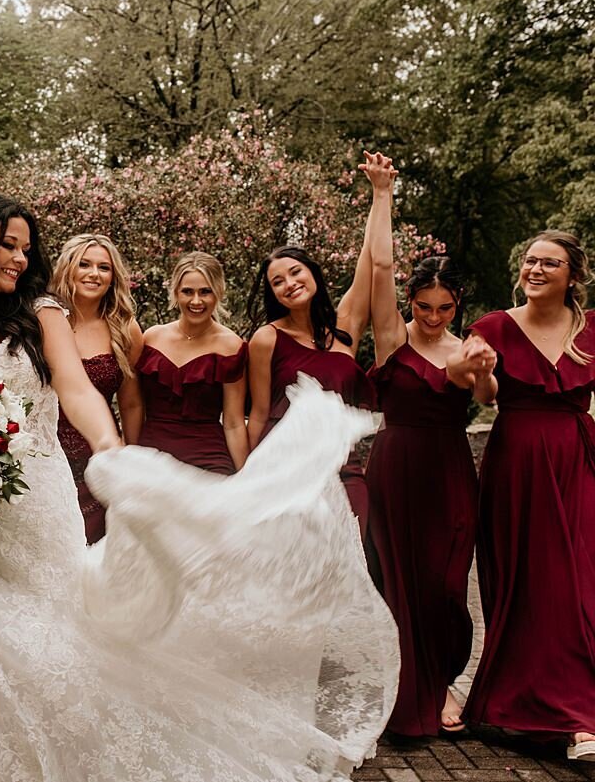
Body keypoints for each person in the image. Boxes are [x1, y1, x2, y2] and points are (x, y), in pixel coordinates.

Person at [0, 190, 397, 781]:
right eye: (8, 246)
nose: (21, 259)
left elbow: (77, 390)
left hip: (35, 510)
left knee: (54, 652)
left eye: (27, 248)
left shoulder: (41, 315)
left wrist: (110, 450)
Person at [447, 230, 595, 760]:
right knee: (526, 581)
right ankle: (529, 704)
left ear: (572, 275)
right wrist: (482, 372)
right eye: (529, 260)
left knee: (579, 580)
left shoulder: (591, 327)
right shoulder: (492, 327)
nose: (535, 269)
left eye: (549, 263)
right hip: (517, 461)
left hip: (578, 459)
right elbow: (484, 397)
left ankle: (580, 716)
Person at [366, 204, 478, 736]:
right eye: (424, 306)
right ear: (410, 302)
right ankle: (409, 690)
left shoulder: (471, 349)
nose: (433, 318)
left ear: (458, 306)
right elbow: (381, 269)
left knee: (446, 584)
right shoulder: (392, 338)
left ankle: (444, 677)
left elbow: (491, 394)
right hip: (396, 469)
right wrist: (382, 196)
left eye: (445, 308)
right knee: (396, 582)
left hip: (451, 470)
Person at [246, 152, 392, 537]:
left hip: (344, 468)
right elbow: (259, 414)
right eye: (278, 281)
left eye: (295, 271)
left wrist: (381, 193)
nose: (290, 283)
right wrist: (248, 480)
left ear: (312, 273)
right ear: (274, 294)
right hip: (287, 471)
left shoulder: (344, 326)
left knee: (351, 558)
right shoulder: (266, 339)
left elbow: (372, 258)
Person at [48, 234, 143, 543]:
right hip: (49, 452)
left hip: (98, 454)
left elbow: (130, 403)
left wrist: (129, 456)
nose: (94, 274)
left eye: (104, 268)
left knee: (95, 546)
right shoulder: (45, 321)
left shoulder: (125, 328)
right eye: (84, 264)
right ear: (67, 269)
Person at [137, 252, 247, 473]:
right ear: (176, 292)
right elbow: (133, 406)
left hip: (208, 458)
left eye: (205, 292)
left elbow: (234, 422)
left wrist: (247, 477)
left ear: (218, 293)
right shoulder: (151, 337)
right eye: (188, 291)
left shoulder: (231, 346)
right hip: (151, 457)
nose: (196, 301)